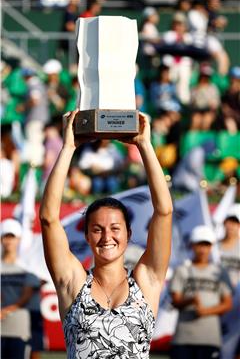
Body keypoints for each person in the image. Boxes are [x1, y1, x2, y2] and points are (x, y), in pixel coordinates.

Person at [40, 110, 173, 357]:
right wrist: (68, 147)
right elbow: (48, 219)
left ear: (128, 232)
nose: (106, 237)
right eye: (97, 229)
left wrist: (144, 145)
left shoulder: (146, 281)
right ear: (87, 236)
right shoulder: (73, 283)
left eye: (115, 228)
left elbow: (164, 211)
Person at [170, 225, 232, 359]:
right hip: (183, 338)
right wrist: (190, 300)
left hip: (210, 339)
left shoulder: (220, 272)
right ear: (192, 245)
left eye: (206, 245)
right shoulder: (182, 270)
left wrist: (206, 311)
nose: (203, 249)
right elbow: (175, 301)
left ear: (211, 247)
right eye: (199, 244)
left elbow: (227, 303)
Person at [0, 219, 38, 359]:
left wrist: (5, 311)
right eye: (5, 237)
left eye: (12, 237)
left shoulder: (27, 266)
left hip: (19, 329)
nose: (9, 241)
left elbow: (26, 296)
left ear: (18, 239)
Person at [218, 204, 240, 359]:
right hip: (215, 298)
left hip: (236, 300)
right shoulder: (213, 246)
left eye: (235, 222)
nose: (231, 226)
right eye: (229, 221)